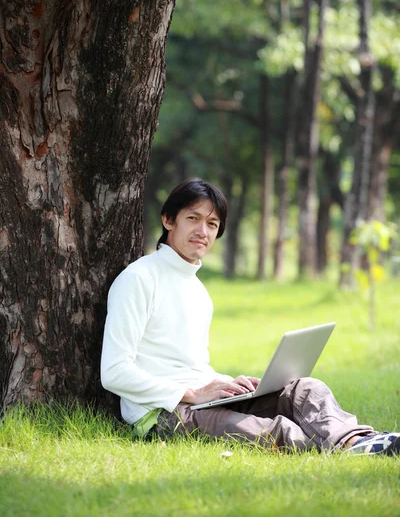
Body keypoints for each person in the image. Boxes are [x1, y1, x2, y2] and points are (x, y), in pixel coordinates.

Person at [101, 178, 400, 455]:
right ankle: (346, 449)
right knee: (276, 431)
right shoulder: (139, 279)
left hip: (202, 398)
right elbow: (114, 371)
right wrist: (191, 393)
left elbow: (191, 365)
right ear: (169, 220)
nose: (202, 232)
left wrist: (230, 384)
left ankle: (357, 442)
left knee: (306, 389)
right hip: (162, 413)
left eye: (212, 223)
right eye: (193, 218)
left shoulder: (198, 291)